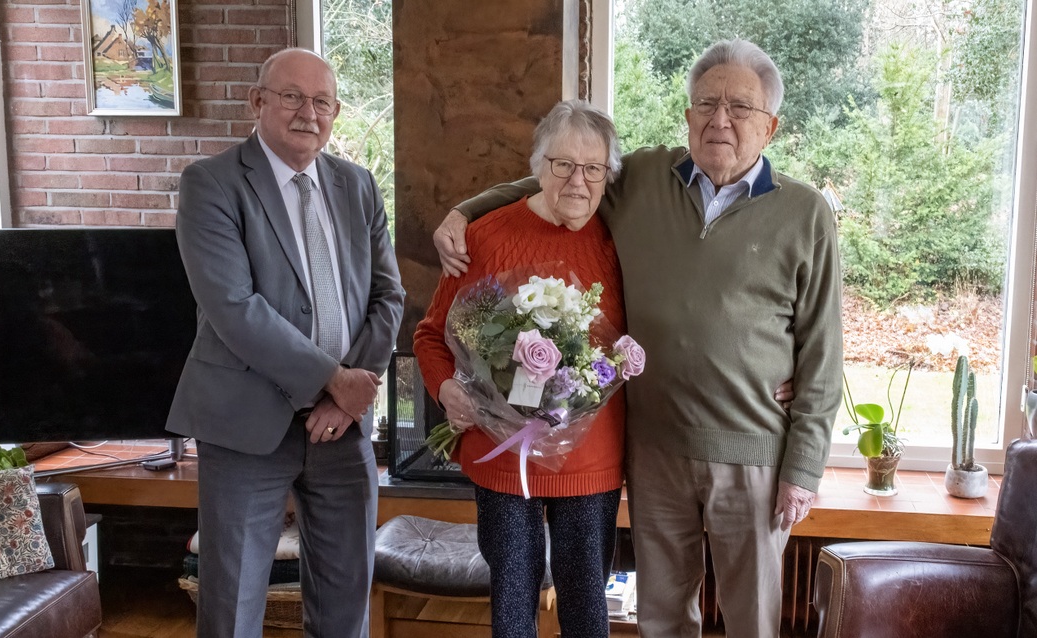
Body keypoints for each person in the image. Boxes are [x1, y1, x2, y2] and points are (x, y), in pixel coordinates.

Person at [432, 39, 843, 638]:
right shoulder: (646, 177)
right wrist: (464, 212)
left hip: (754, 453)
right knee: (662, 617)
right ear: (687, 115)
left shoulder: (805, 214)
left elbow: (823, 352)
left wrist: (803, 467)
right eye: (705, 102)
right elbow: (559, 180)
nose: (719, 119)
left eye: (739, 108)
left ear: (770, 126)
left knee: (753, 620)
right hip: (654, 451)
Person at [166, 48, 404, 638]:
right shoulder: (212, 184)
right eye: (292, 96)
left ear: (336, 111)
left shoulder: (358, 185)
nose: (308, 112)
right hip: (247, 425)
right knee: (232, 609)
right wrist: (333, 379)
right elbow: (234, 309)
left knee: (346, 601)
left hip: (341, 429)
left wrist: (348, 395)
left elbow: (389, 297)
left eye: (321, 101)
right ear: (258, 101)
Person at [413, 99, 626, 638]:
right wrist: (446, 390)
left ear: (607, 175)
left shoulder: (619, 242)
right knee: (511, 606)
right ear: (538, 166)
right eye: (563, 165)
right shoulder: (483, 237)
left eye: (593, 168)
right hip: (503, 455)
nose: (578, 181)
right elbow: (432, 335)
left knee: (586, 608)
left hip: (590, 456)